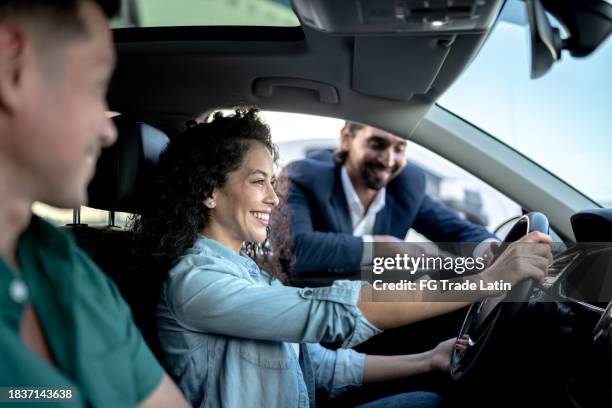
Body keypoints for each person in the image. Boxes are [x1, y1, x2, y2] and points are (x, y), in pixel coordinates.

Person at [131, 108, 553, 408]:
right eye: (258, 182)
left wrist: (430, 359)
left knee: (433, 397)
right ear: (209, 191)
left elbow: (319, 364)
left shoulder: (242, 271)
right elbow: (326, 310)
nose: (274, 198)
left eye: (271, 182)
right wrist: (485, 283)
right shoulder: (197, 281)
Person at [0, 1, 189, 406]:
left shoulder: (70, 268)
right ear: (11, 68)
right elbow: (340, 312)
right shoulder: (201, 276)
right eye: (96, 86)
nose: (108, 132)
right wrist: (365, 264)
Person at [285, 122, 500, 277]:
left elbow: (458, 231)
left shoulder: (407, 185)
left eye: (399, 148)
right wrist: (384, 248)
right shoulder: (305, 176)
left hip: (375, 317)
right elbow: (296, 249)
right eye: (377, 144)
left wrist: (493, 252)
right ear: (346, 139)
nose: (388, 160)